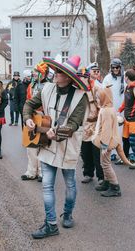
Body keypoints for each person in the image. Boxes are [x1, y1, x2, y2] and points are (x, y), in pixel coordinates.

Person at [23, 56, 88, 239]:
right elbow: (29, 104)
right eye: (55, 71)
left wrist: (58, 133)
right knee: (47, 186)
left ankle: (67, 214)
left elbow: (74, 124)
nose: (54, 74)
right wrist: (28, 117)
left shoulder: (80, 97)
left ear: (67, 77)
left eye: (59, 72)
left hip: (68, 147)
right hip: (47, 145)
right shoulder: (47, 88)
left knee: (69, 184)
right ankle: (51, 224)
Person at [20, 62, 49, 182]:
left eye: (38, 72)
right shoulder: (31, 86)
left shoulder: (48, 86)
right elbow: (28, 101)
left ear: (43, 74)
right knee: (31, 144)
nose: (35, 74)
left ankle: (42, 172)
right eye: (34, 72)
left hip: (43, 116)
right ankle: (31, 171)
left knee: (42, 144)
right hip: (31, 116)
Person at [92, 87, 122, 197]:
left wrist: (104, 146)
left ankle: (115, 186)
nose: (97, 100)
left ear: (105, 98)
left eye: (99, 98)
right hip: (109, 141)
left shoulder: (106, 111)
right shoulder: (109, 108)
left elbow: (106, 130)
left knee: (106, 164)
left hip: (107, 142)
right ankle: (106, 182)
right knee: (104, 163)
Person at [78, 63, 104, 185]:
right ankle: (88, 173)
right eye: (80, 78)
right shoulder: (76, 91)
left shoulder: (96, 89)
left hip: (95, 125)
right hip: (83, 127)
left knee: (96, 153)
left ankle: (101, 176)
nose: (82, 80)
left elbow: (103, 106)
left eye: (84, 77)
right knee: (85, 152)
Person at [102, 58, 126, 162]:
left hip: (123, 108)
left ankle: (122, 152)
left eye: (117, 67)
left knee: (121, 131)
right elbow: (104, 92)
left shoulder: (125, 77)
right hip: (111, 107)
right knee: (111, 130)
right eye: (113, 67)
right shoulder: (108, 78)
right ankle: (112, 152)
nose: (115, 69)